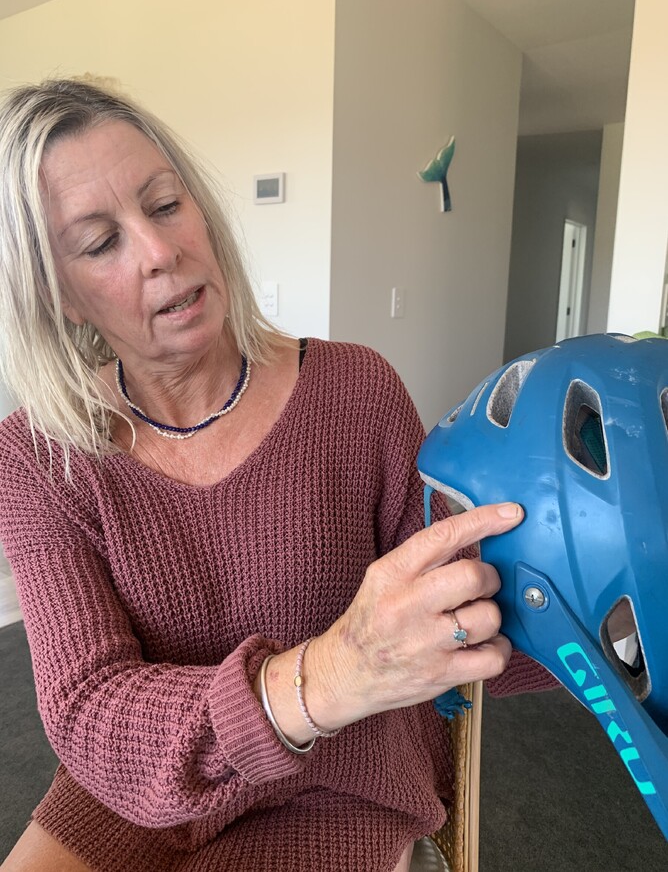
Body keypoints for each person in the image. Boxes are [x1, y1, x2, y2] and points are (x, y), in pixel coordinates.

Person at [0, 78, 552, 872]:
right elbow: (90, 711)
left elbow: (468, 604)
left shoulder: (357, 392)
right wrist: (329, 673)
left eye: (166, 205)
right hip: (136, 793)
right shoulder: (36, 454)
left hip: (342, 782)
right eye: (99, 243)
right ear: (63, 300)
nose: (160, 252)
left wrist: (615, 614)